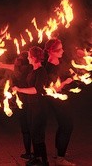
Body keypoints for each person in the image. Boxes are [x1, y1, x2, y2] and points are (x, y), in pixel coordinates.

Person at [12, 46, 49, 166]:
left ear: (34, 57)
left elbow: (36, 90)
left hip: (39, 107)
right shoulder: (32, 69)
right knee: (33, 132)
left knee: (38, 134)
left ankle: (44, 161)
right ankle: (36, 157)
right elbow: (16, 69)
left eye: (29, 55)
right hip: (31, 106)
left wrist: (20, 89)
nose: (27, 57)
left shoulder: (41, 71)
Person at [43, 38, 76, 166]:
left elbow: (66, 69)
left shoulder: (59, 60)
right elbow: (51, 89)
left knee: (63, 125)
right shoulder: (49, 67)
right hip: (57, 100)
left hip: (64, 98)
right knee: (67, 126)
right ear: (51, 51)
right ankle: (60, 159)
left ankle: (58, 153)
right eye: (60, 49)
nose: (63, 50)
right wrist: (65, 83)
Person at [0, 51, 34, 160]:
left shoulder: (25, 70)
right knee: (30, 128)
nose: (16, 59)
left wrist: (2, 65)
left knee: (27, 129)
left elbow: (15, 68)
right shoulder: (30, 69)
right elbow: (14, 69)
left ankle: (30, 153)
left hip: (25, 102)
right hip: (27, 101)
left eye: (19, 58)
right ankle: (33, 152)